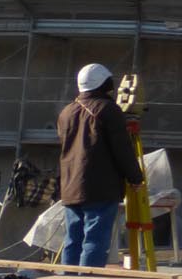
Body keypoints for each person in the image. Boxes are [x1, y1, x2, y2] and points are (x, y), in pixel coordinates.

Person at [57, 63, 144, 268]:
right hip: (100, 187)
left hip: (70, 186)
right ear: (104, 84)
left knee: (72, 239)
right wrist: (135, 178)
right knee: (94, 240)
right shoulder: (107, 110)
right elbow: (122, 149)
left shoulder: (66, 112)